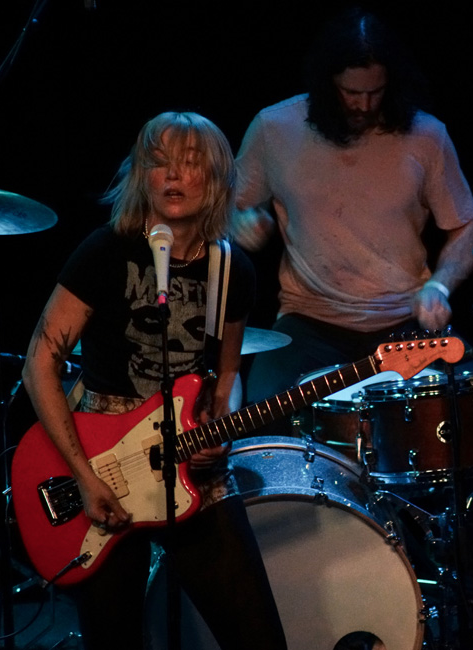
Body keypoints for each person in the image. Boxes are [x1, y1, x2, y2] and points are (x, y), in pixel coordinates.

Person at [21, 112, 286, 650]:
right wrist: (84, 477)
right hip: (103, 466)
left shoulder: (233, 270)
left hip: (190, 463)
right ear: (140, 176)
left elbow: (227, 372)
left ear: (214, 179)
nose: (172, 177)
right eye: (158, 164)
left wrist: (222, 428)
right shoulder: (106, 250)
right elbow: (40, 362)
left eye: (189, 165)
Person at [232, 7, 473, 399]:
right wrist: (238, 222)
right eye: (351, 93)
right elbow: (226, 209)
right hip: (308, 321)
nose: (364, 106)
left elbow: (467, 226)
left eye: (375, 93)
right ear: (327, 82)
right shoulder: (274, 128)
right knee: (258, 414)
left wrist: (440, 284)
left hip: (404, 321)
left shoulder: (427, 136)